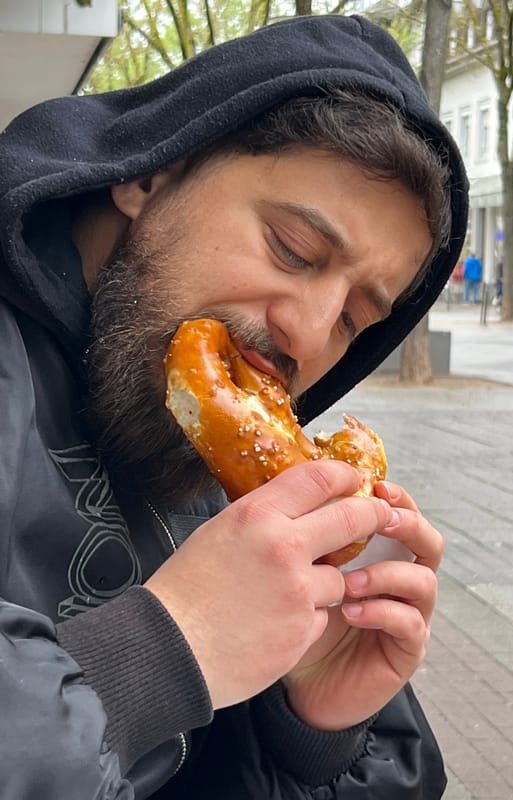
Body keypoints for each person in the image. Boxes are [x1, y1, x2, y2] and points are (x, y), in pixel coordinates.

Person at [0, 14, 468, 800]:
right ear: (150, 171)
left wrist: (314, 731)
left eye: (357, 316)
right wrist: (164, 650)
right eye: (293, 250)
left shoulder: (227, 464)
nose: (311, 333)